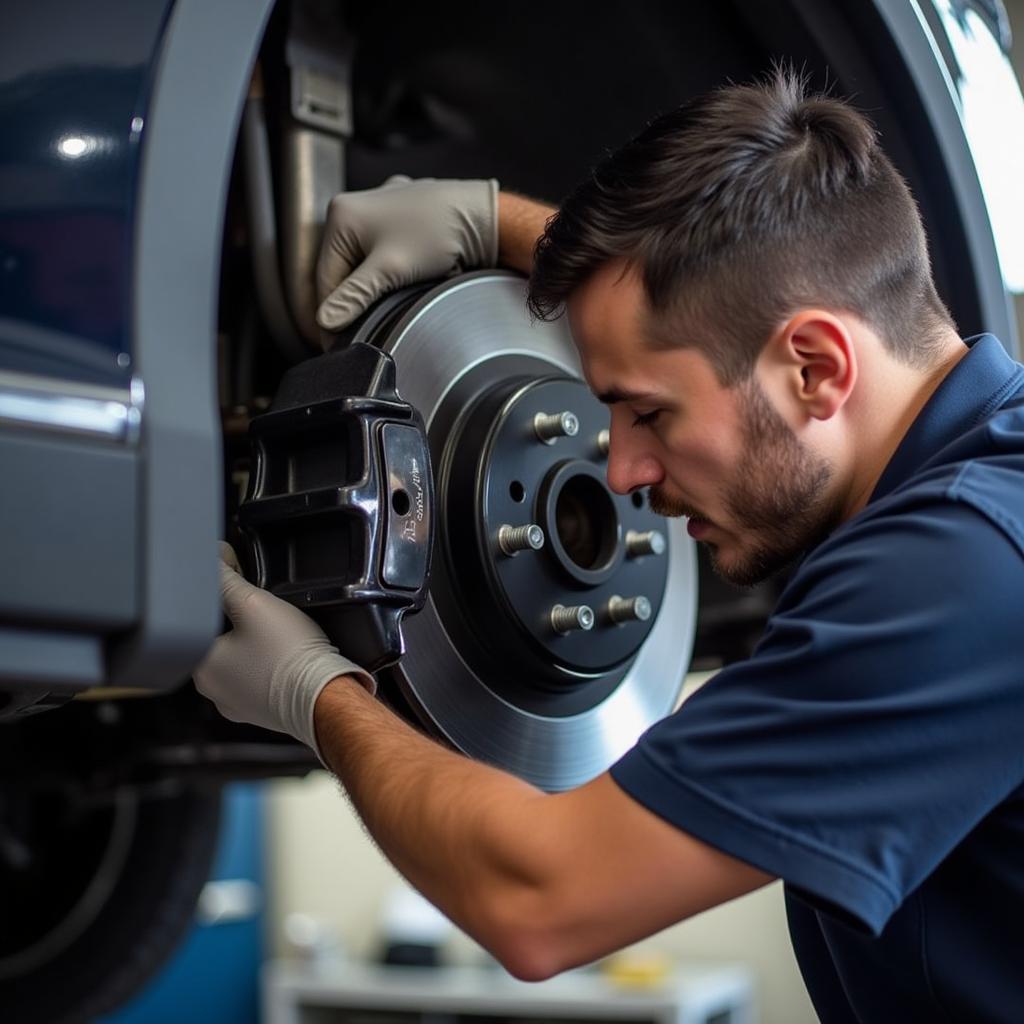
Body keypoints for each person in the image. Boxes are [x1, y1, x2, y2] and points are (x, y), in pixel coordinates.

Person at [196, 70, 1024, 1022]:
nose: (622, 471)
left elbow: (539, 901)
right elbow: (714, 298)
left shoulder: (961, 575)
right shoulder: (980, 492)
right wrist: (495, 221)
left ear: (818, 367)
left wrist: (315, 695)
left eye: (648, 413)